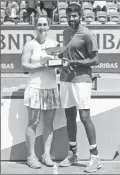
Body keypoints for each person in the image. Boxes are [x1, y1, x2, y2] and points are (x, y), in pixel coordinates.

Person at [59, 3, 102, 173]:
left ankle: (95, 157)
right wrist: (59, 57)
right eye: (69, 16)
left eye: (75, 16)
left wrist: (75, 62)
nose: (72, 19)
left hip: (82, 79)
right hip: (65, 79)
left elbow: (96, 60)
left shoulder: (87, 34)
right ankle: (73, 153)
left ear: (80, 16)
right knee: (70, 117)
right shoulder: (65, 32)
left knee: (84, 117)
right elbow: (66, 54)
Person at [21, 15, 60, 168]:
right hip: (34, 88)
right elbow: (24, 66)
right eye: (39, 24)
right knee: (33, 123)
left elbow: (58, 65)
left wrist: (58, 64)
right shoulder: (29, 45)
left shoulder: (55, 44)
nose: (42, 27)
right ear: (35, 27)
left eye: (45, 24)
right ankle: (31, 156)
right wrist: (42, 67)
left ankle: (46, 155)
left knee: (48, 124)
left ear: (49, 27)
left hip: (50, 88)